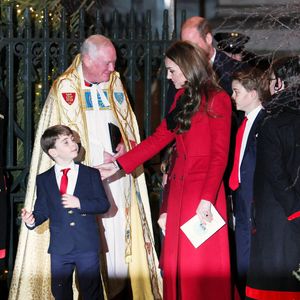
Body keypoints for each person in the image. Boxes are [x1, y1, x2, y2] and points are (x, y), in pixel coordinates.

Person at [9, 34, 162, 300]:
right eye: (107, 64)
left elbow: (128, 127)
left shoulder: (114, 82)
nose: (113, 69)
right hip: (82, 186)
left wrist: (127, 147)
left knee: (116, 242)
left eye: (114, 63)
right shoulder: (64, 87)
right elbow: (53, 147)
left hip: (117, 178)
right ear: (88, 60)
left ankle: (117, 292)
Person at [99, 40, 233, 300]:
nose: (169, 76)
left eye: (172, 70)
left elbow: (219, 156)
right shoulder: (183, 98)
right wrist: (117, 165)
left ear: (186, 67)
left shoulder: (219, 99)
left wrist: (207, 199)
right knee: (174, 266)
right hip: (179, 192)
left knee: (198, 267)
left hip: (202, 195)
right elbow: (159, 139)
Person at [21, 125, 110, 300]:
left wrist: (80, 203)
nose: (73, 143)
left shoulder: (91, 174)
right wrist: (31, 220)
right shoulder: (44, 179)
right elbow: (42, 210)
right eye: (66, 141)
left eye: (72, 138)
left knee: (91, 291)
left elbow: (103, 205)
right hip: (60, 248)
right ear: (53, 152)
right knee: (60, 292)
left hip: (87, 246)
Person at [246, 56, 300, 299]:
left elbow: (275, 174)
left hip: (278, 218)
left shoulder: (271, 121)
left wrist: (295, 211)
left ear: (279, 84)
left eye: (270, 81)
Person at [229, 68, 269, 299]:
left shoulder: (265, 123)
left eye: (236, 91)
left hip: (255, 206)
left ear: (253, 93)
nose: (232, 97)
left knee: (250, 265)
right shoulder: (243, 124)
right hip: (241, 203)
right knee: (242, 263)